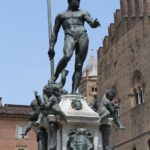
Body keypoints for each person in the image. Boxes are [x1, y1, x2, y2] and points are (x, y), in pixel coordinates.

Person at [48, 0, 100, 93]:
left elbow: (91, 22)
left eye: (79, 1)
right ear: (69, 1)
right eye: (76, 0)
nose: (78, 2)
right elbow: (54, 33)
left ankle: (74, 91)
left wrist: (94, 24)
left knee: (79, 65)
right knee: (67, 56)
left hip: (82, 36)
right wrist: (52, 47)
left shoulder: (83, 12)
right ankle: (55, 76)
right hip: (69, 36)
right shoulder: (61, 15)